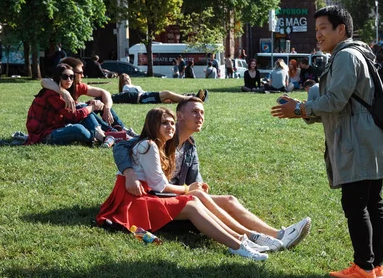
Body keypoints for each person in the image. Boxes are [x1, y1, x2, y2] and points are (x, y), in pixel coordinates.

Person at [271, 5, 383, 278]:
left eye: (323, 29)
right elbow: (344, 105)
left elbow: (335, 101)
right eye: (316, 30)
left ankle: (364, 268)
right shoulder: (361, 53)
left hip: (358, 142)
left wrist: (301, 109)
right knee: (373, 203)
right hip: (372, 138)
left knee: (355, 204)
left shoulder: (345, 56)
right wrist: (306, 111)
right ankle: (375, 267)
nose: (318, 35)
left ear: (341, 29)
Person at [111, 99, 311, 252]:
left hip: (176, 194)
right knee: (201, 199)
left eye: (202, 113)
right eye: (195, 112)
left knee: (229, 199)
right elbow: (122, 145)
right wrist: (129, 173)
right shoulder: (161, 136)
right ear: (180, 116)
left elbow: (195, 180)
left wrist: (199, 187)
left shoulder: (190, 145)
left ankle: (278, 235)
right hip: (159, 197)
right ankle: (251, 237)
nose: (200, 116)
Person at [97, 106, 269, 260]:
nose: (170, 127)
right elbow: (160, 186)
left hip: (143, 196)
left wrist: (193, 189)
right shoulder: (148, 146)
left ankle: (241, 240)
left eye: (172, 123)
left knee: (195, 200)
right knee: (191, 205)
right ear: (152, 125)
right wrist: (188, 188)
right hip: (133, 201)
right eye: (164, 123)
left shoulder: (157, 145)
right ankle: (238, 246)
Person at [41, 57, 129, 134]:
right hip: (66, 119)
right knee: (83, 107)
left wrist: (107, 109)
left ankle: (122, 129)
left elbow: (104, 93)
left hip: (76, 114)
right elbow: (44, 81)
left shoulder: (78, 86)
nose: (82, 75)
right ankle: (109, 132)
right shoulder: (55, 85)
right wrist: (64, 92)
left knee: (99, 101)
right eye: (80, 72)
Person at [25, 64, 106, 145]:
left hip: (56, 126)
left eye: (71, 77)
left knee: (83, 108)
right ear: (58, 77)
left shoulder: (63, 91)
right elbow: (73, 116)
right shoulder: (51, 93)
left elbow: (74, 107)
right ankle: (97, 136)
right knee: (78, 129)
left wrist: (90, 103)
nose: (69, 79)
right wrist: (92, 107)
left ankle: (103, 133)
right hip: (43, 135)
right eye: (65, 76)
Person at [112, 73, 207, 104]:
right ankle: (195, 98)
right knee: (167, 94)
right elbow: (124, 95)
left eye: (128, 78)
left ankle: (191, 97)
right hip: (143, 98)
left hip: (146, 95)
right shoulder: (125, 88)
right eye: (124, 80)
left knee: (170, 98)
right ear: (122, 82)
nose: (127, 81)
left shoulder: (132, 86)